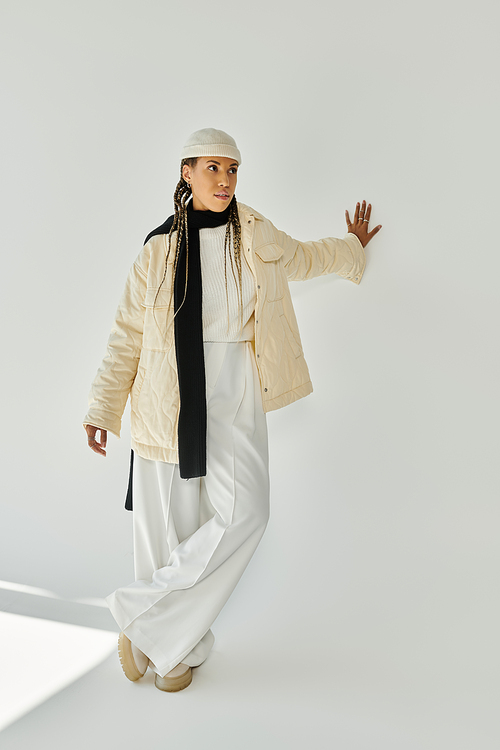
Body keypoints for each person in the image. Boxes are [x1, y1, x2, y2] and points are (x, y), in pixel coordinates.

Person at [83, 127, 382, 693]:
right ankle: (176, 653)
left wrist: (351, 248)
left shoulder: (256, 233)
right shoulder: (158, 248)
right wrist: (103, 408)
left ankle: (142, 618)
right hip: (166, 391)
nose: (224, 180)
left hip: (236, 383)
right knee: (169, 525)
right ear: (187, 174)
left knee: (247, 512)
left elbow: (304, 258)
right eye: (212, 169)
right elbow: (126, 334)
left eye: (233, 169)